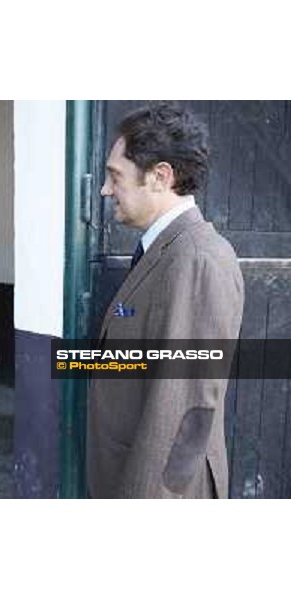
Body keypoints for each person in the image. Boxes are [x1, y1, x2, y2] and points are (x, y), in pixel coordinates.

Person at [87, 102, 244, 499]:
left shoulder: (197, 261)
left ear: (160, 177)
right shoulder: (167, 250)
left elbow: (182, 417)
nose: (106, 190)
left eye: (114, 176)